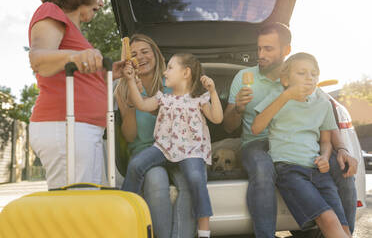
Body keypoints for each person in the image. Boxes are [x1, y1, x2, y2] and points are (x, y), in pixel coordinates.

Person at [223, 22, 357, 237]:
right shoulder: (243, 77)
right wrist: (238, 108)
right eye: (259, 48)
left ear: (286, 50)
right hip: (256, 142)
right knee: (262, 167)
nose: (261, 54)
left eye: (268, 49)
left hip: (300, 145)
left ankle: (344, 230)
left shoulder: (305, 80)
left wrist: (342, 149)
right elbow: (229, 126)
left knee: (342, 169)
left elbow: (323, 120)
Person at [28, 0, 128, 189]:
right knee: (73, 209)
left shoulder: (71, 29)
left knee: (85, 204)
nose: (101, 3)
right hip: (66, 126)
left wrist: (106, 74)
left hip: (80, 129)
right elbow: (38, 59)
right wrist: (76, 56)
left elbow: (71, 73)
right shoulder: (51, 10)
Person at [121, 53, 223, 238]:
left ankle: (204, 231)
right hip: (164, 147)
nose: (165, 72)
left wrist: (213, 92)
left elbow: (217, 118)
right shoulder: (163, 98)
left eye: (169, 68)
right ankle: (123, 210)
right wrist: (129, 81)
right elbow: (142, 105)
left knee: (195, 178)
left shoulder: (199, 99)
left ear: (186, 72)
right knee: (136, 164)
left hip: (191, 150)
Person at [252, 52, 351, 237]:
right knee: (327, 220)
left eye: (313, 73)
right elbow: (256, 128)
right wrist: (286, 96)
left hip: (317, 170)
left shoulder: (323, 103)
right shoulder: (277, 96)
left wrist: (325, 156)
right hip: (289, 169)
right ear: (285, 79)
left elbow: (326, 141)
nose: (309, 77)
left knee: (343, 227)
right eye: (302, 73)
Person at [115, 34, 196, 238]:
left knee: (190, 181)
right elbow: (131, 136)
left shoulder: (172, 80)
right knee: (156, 179)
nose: (140, 58)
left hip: (175, 150)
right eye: (133, 54)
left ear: (155, 54)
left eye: (145, 52)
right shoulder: (122, 89)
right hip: (144, 153)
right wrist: (132, 104)